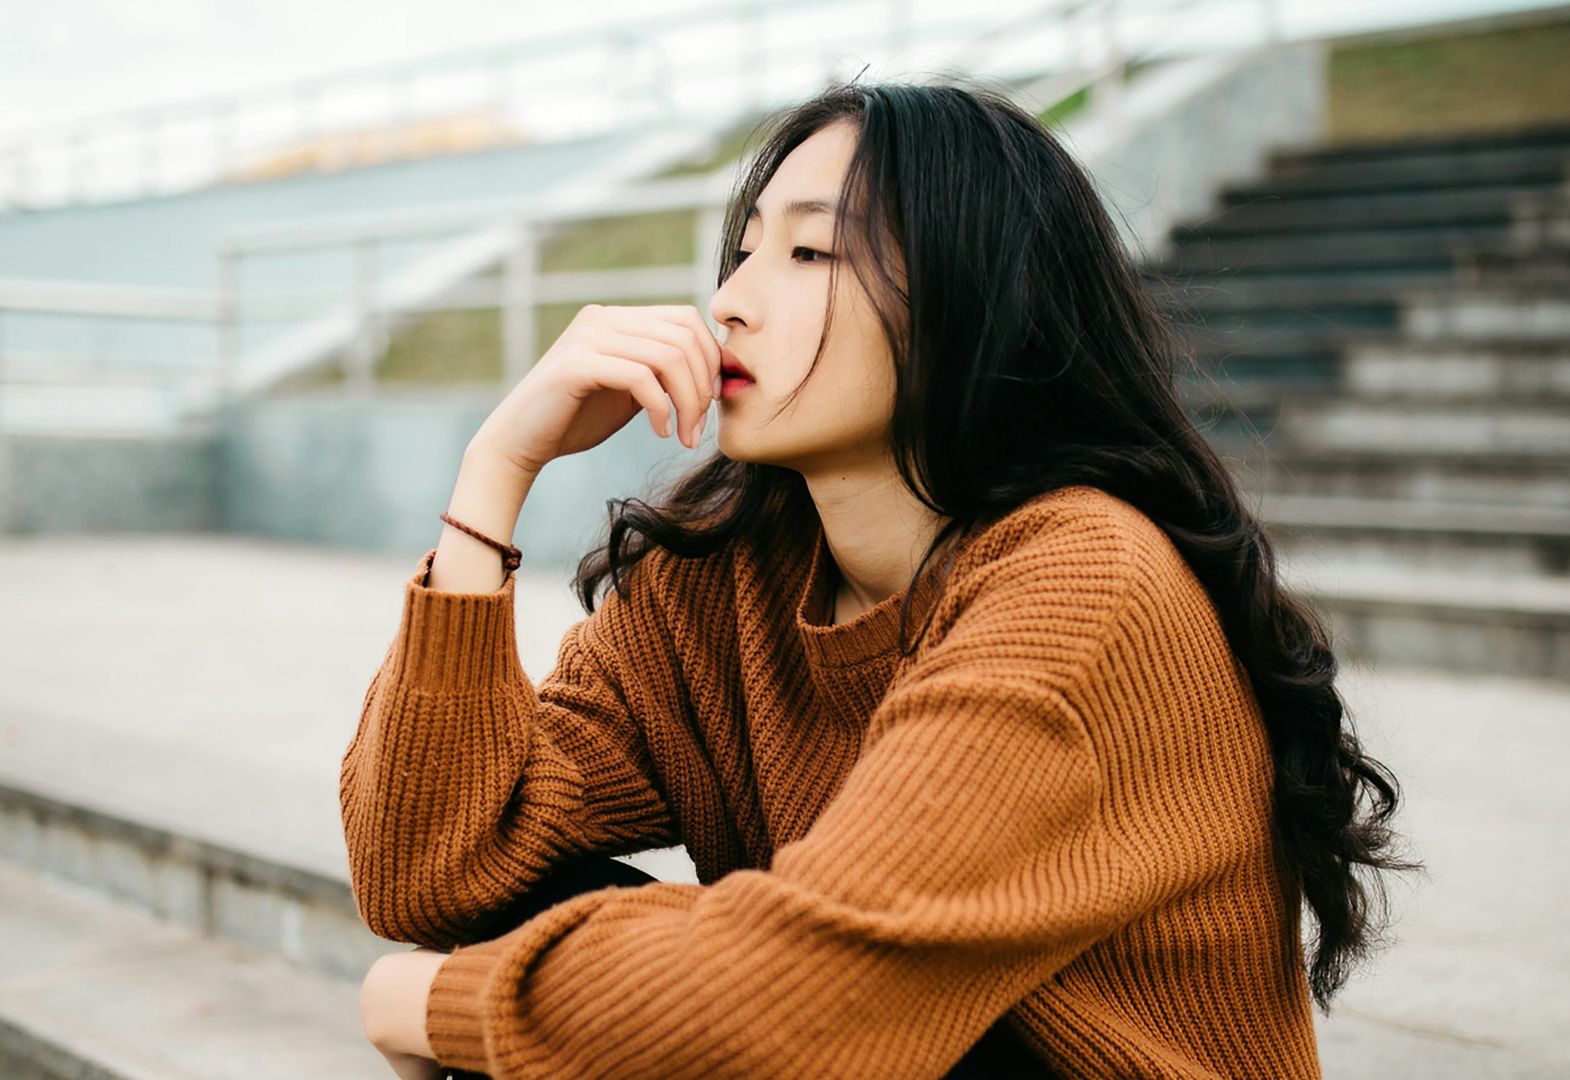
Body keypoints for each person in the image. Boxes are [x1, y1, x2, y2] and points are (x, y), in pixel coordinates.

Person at [345, 77, 1417, 1079]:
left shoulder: (1084, 585)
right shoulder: (724, 574)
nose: (732, 304)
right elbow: (430, 868)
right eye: (744, 251)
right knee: (540, 924)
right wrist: (495, 475)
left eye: (811, 254)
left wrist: (430, 1006)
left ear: (970, 299)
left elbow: (799, 1006)